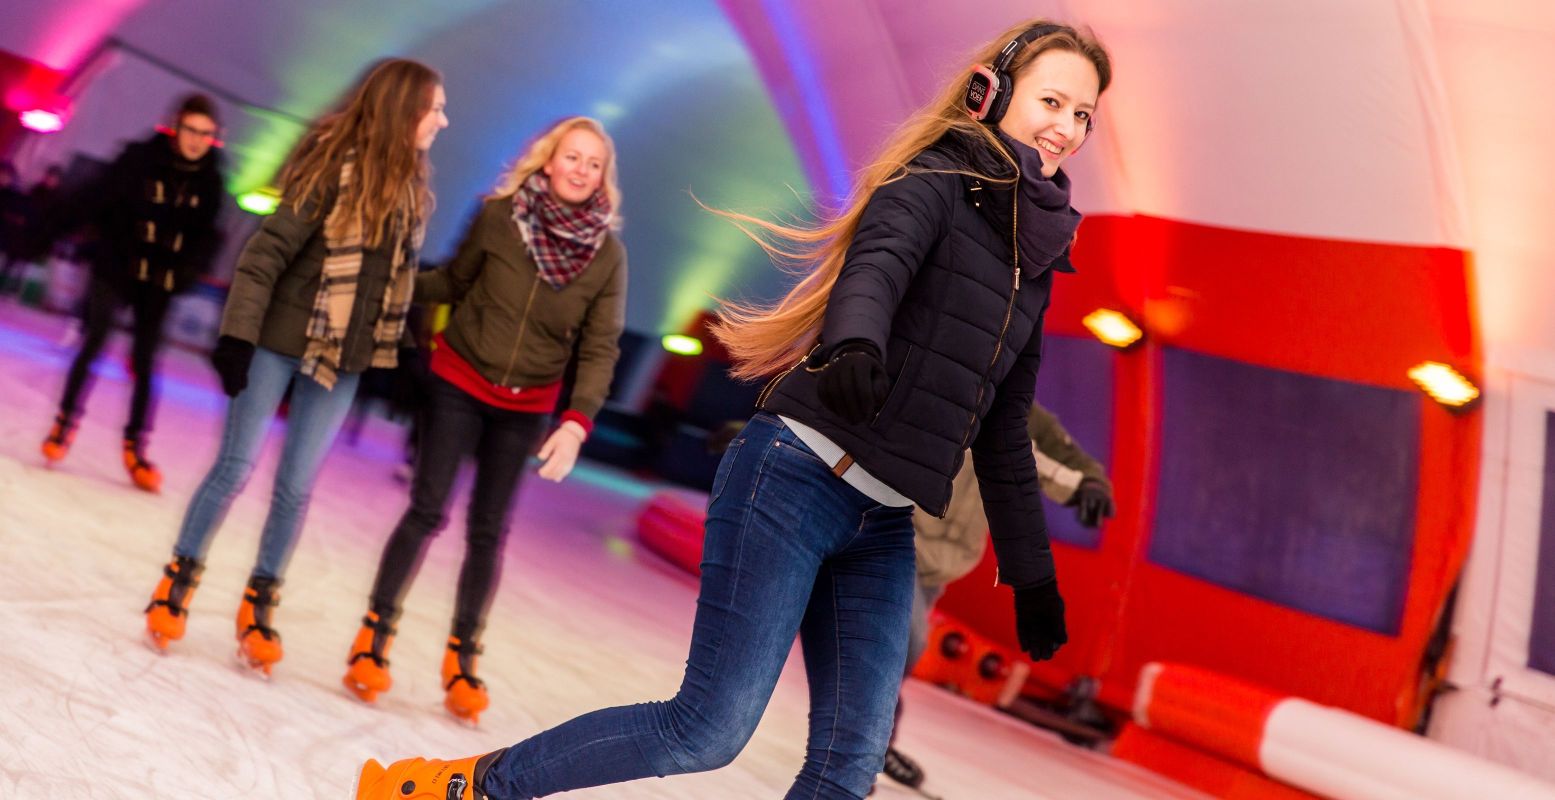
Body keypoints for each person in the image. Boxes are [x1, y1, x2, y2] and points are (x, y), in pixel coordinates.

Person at [355, 19, 1111, 800]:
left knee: (848, 767)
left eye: (1083, 114)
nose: (1066, 127)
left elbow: (1006, 420)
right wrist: (854, 344)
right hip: (796, 482)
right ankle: (463, 787)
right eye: (1051, 100)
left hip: (884, 524)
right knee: (706, 728)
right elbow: (876, 267)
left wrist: (1031, 574)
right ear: (991, 93)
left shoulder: (1035, 255)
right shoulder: (933, 179)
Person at [141, 59, 448, 678]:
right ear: (403, 109)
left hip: (344, 361)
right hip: (278, 341)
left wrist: (412, 348)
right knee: (234, 465)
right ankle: (178, 579)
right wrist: (237, 338)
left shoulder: (413, 191)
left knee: (295, 487)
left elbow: (394, 282)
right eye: (434, 108)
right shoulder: (331, 166)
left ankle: (259, 603)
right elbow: (265, 255)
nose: (443, 120)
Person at [342, 117, 628, 725]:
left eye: (593, 163)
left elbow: (600, 347)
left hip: (526, 405)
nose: (580, 169)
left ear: (603, 177)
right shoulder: (500, 217)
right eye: (571, 156)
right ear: (548, 161)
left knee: (488, 530)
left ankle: (462, 655)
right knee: (426, 510)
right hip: (460, 380)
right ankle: (374, 635)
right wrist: (391, 282)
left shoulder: (607, 255)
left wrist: (576, 422)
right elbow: (452, 280)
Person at [883, 401, 1113, 790]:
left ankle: (868, 738)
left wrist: (1092, 485)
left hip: (941, 564)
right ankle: (867, 742)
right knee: (904, 642)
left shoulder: (1029, 417)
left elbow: (1063, 460)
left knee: (897, 649)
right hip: (894, 538)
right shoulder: (946, 381)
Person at [38, 95, 227, 491]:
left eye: (206, 135)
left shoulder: (211, 182)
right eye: (191, 130)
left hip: (158, 280)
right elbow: (94, 198)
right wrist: (47, 228)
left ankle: (136, 446)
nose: (197, 141)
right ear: (175, 127)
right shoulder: (138, 159)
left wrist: (187, 271)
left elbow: (206, 237)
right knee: (95, 343)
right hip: (116, 267)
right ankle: (63, 423)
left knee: (145, 360)